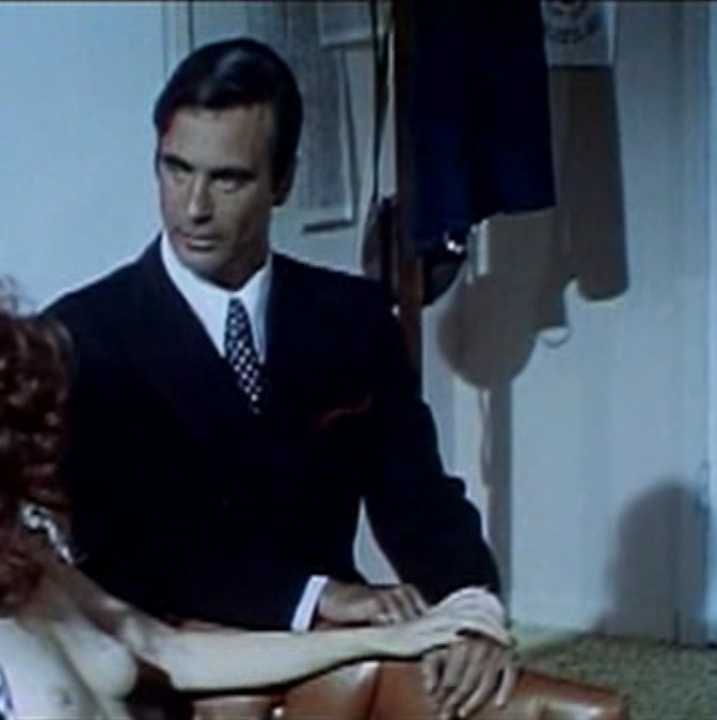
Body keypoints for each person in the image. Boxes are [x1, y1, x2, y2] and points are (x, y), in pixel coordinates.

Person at [0, 274, 499, 720]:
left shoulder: (23, 557)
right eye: (26, 444)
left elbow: (168, 649)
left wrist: (382, 640)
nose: (51, 461)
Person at [45, 37, 516, 719]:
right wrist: (314, 596)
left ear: (282, 181)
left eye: (227, 179)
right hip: (175, 667)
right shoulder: (83, 336)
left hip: (341, 663)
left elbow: (420, 503)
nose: (193, 207)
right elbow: (123, 552)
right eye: (177, 170)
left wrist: (471, 607)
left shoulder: (353, 319)